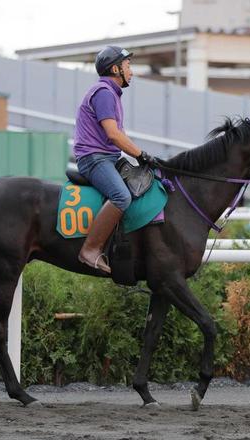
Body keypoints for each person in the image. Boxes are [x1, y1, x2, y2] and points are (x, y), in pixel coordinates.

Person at [73, 45, 155, 274]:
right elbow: (113, 134)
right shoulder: (105, 93)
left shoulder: (110, 93)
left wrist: (140, 154)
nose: (132, 71)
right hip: (94, 158)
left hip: (107, 157)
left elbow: (118, 136)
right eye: (128, 66)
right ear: (115, 68)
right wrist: (141, 154)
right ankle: (89, 250)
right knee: (121, 196)